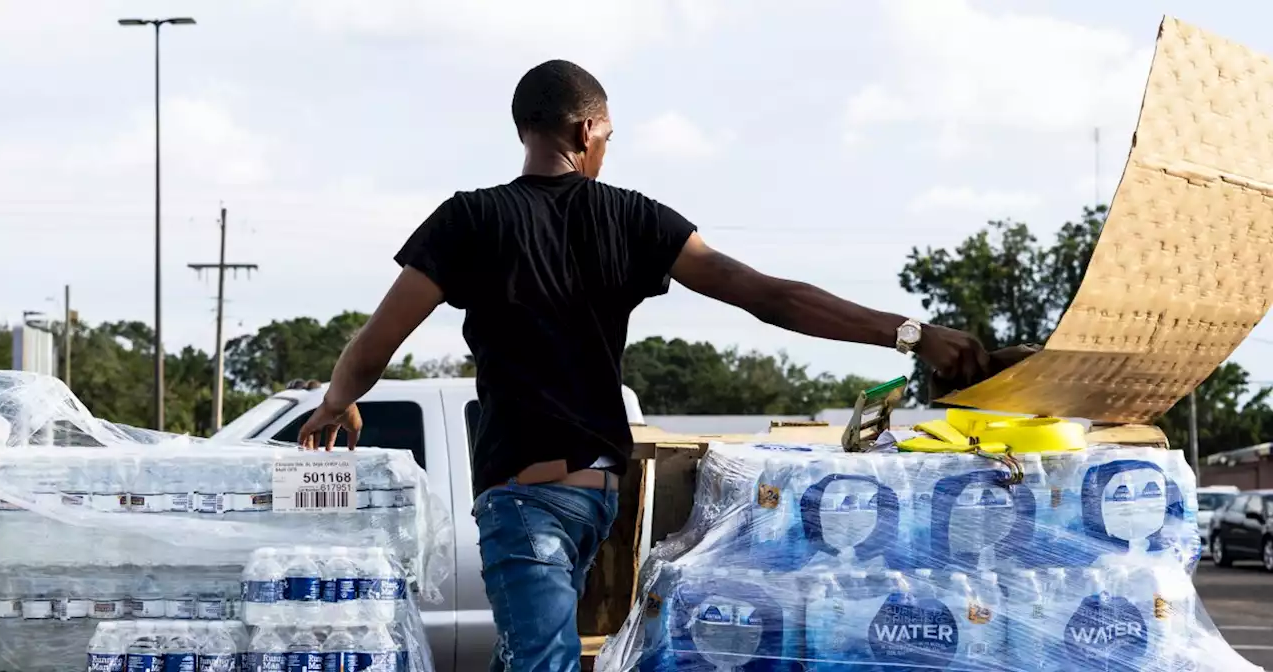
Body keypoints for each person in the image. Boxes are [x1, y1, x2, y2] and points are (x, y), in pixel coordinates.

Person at [297, 60, 995, 671]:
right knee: (539, 660)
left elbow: (378, 339)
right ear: (583, 134)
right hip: (585, 501)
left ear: (526, 130)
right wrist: (911, 333)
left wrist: (337, 399)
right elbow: (768, 296)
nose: (605, 152)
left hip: (527, 500)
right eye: (606, 138)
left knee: (535, 657)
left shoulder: (468, 221)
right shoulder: (633, 218)